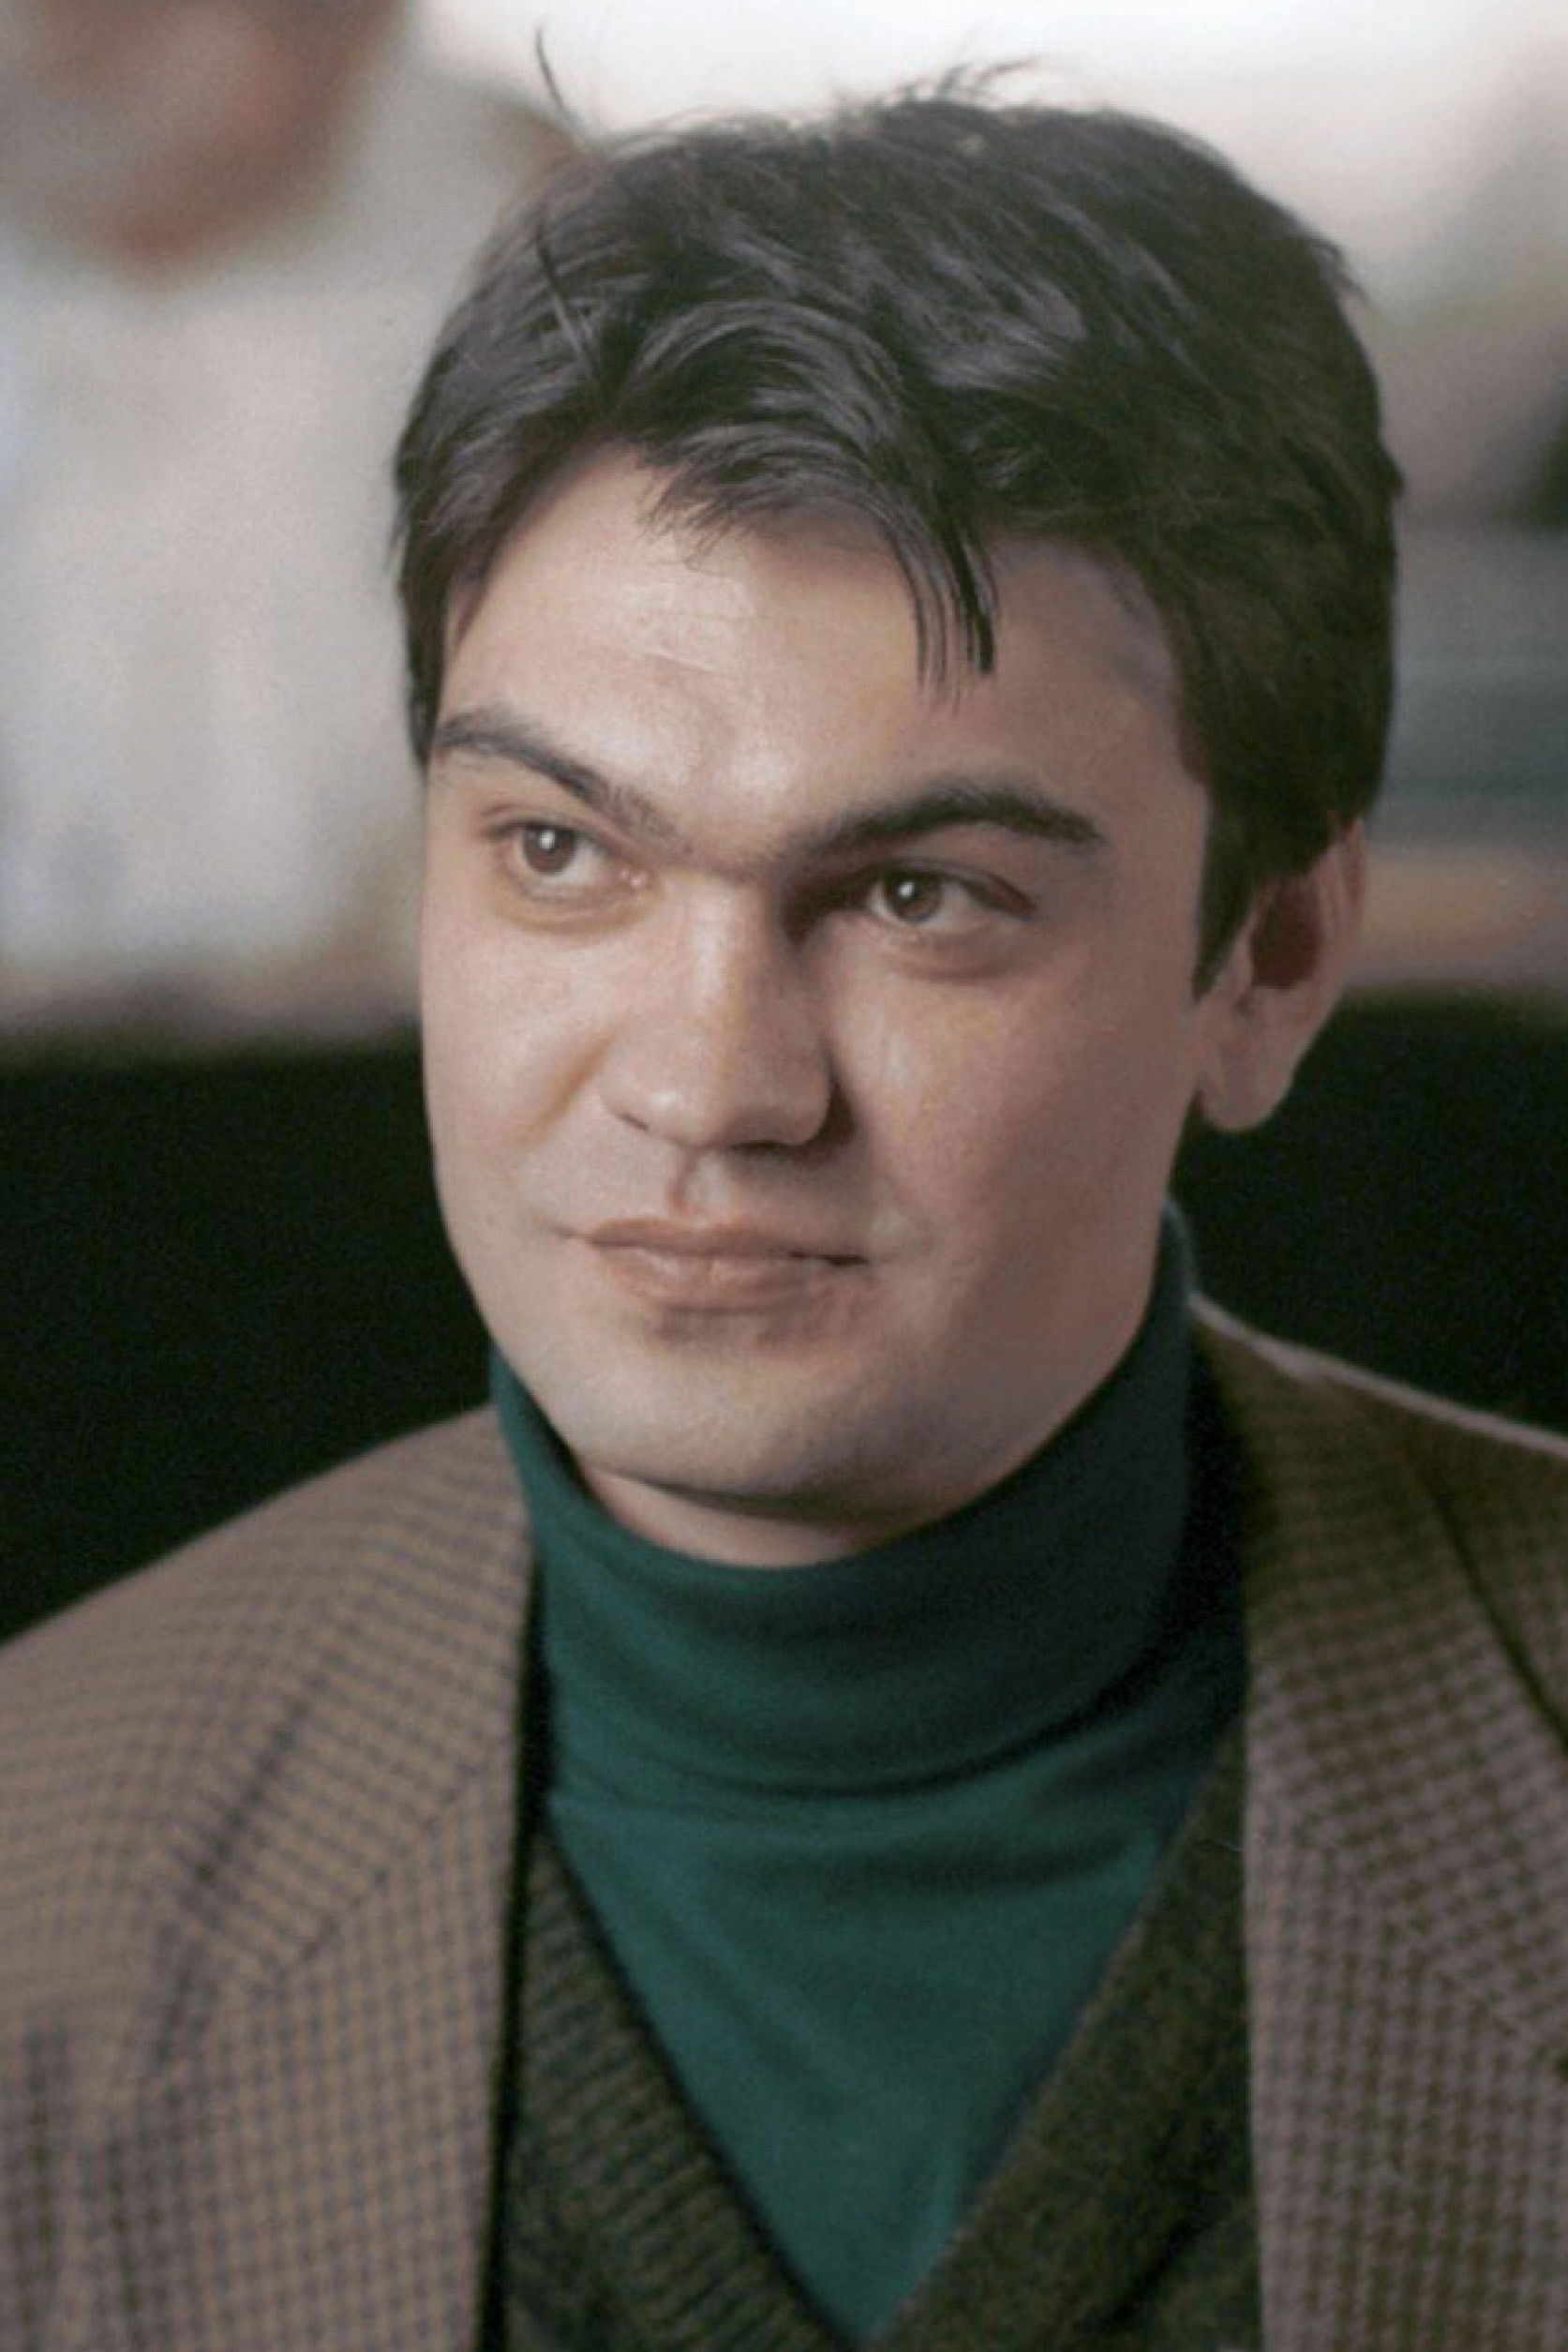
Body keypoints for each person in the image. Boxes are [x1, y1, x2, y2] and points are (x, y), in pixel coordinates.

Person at [5, 83, 1567, 2352]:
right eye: (561, 853)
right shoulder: (41, 1873)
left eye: (922, 896)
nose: (711, 1083)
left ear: (1273, 957)